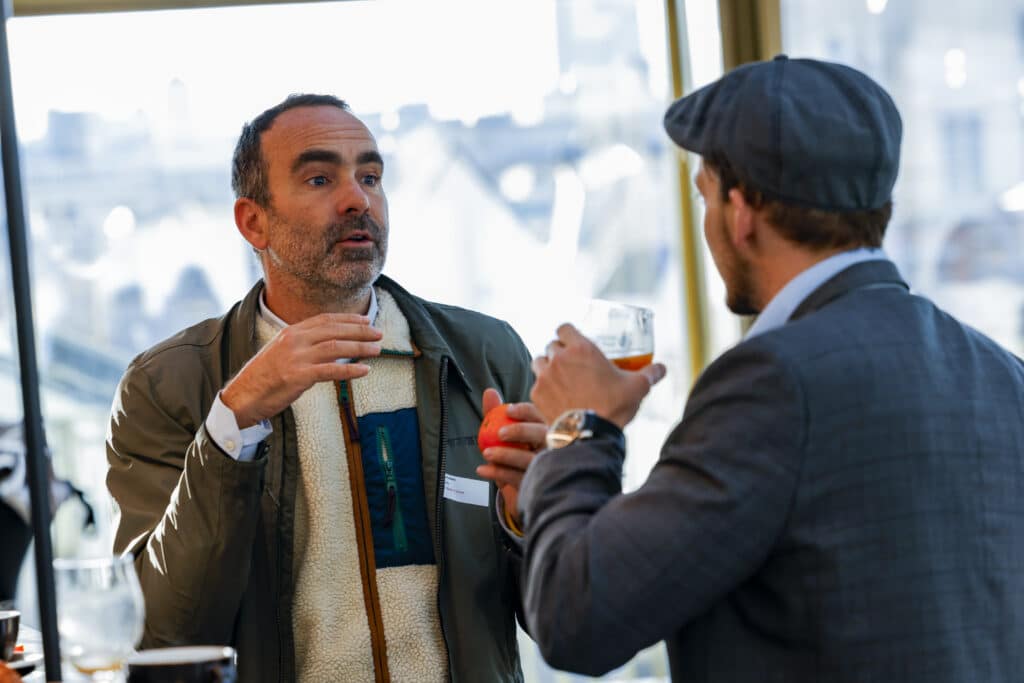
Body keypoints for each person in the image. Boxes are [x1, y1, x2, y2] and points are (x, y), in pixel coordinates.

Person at [519, 55, 1024, 682]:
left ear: (740, 210)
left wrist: (577, 429)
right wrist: (553, 492)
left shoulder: (774, 383)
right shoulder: (1003, 375)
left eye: (703, 194)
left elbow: (576, 619)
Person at [106, 94, 545, 683]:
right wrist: (232, 423)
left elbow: (564, 623)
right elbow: (160, 634)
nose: (357, 199)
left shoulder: (484, 355)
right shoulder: (168, 386)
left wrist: (530, 518)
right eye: (319, 179)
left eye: (371, 177)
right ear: (253, 222)